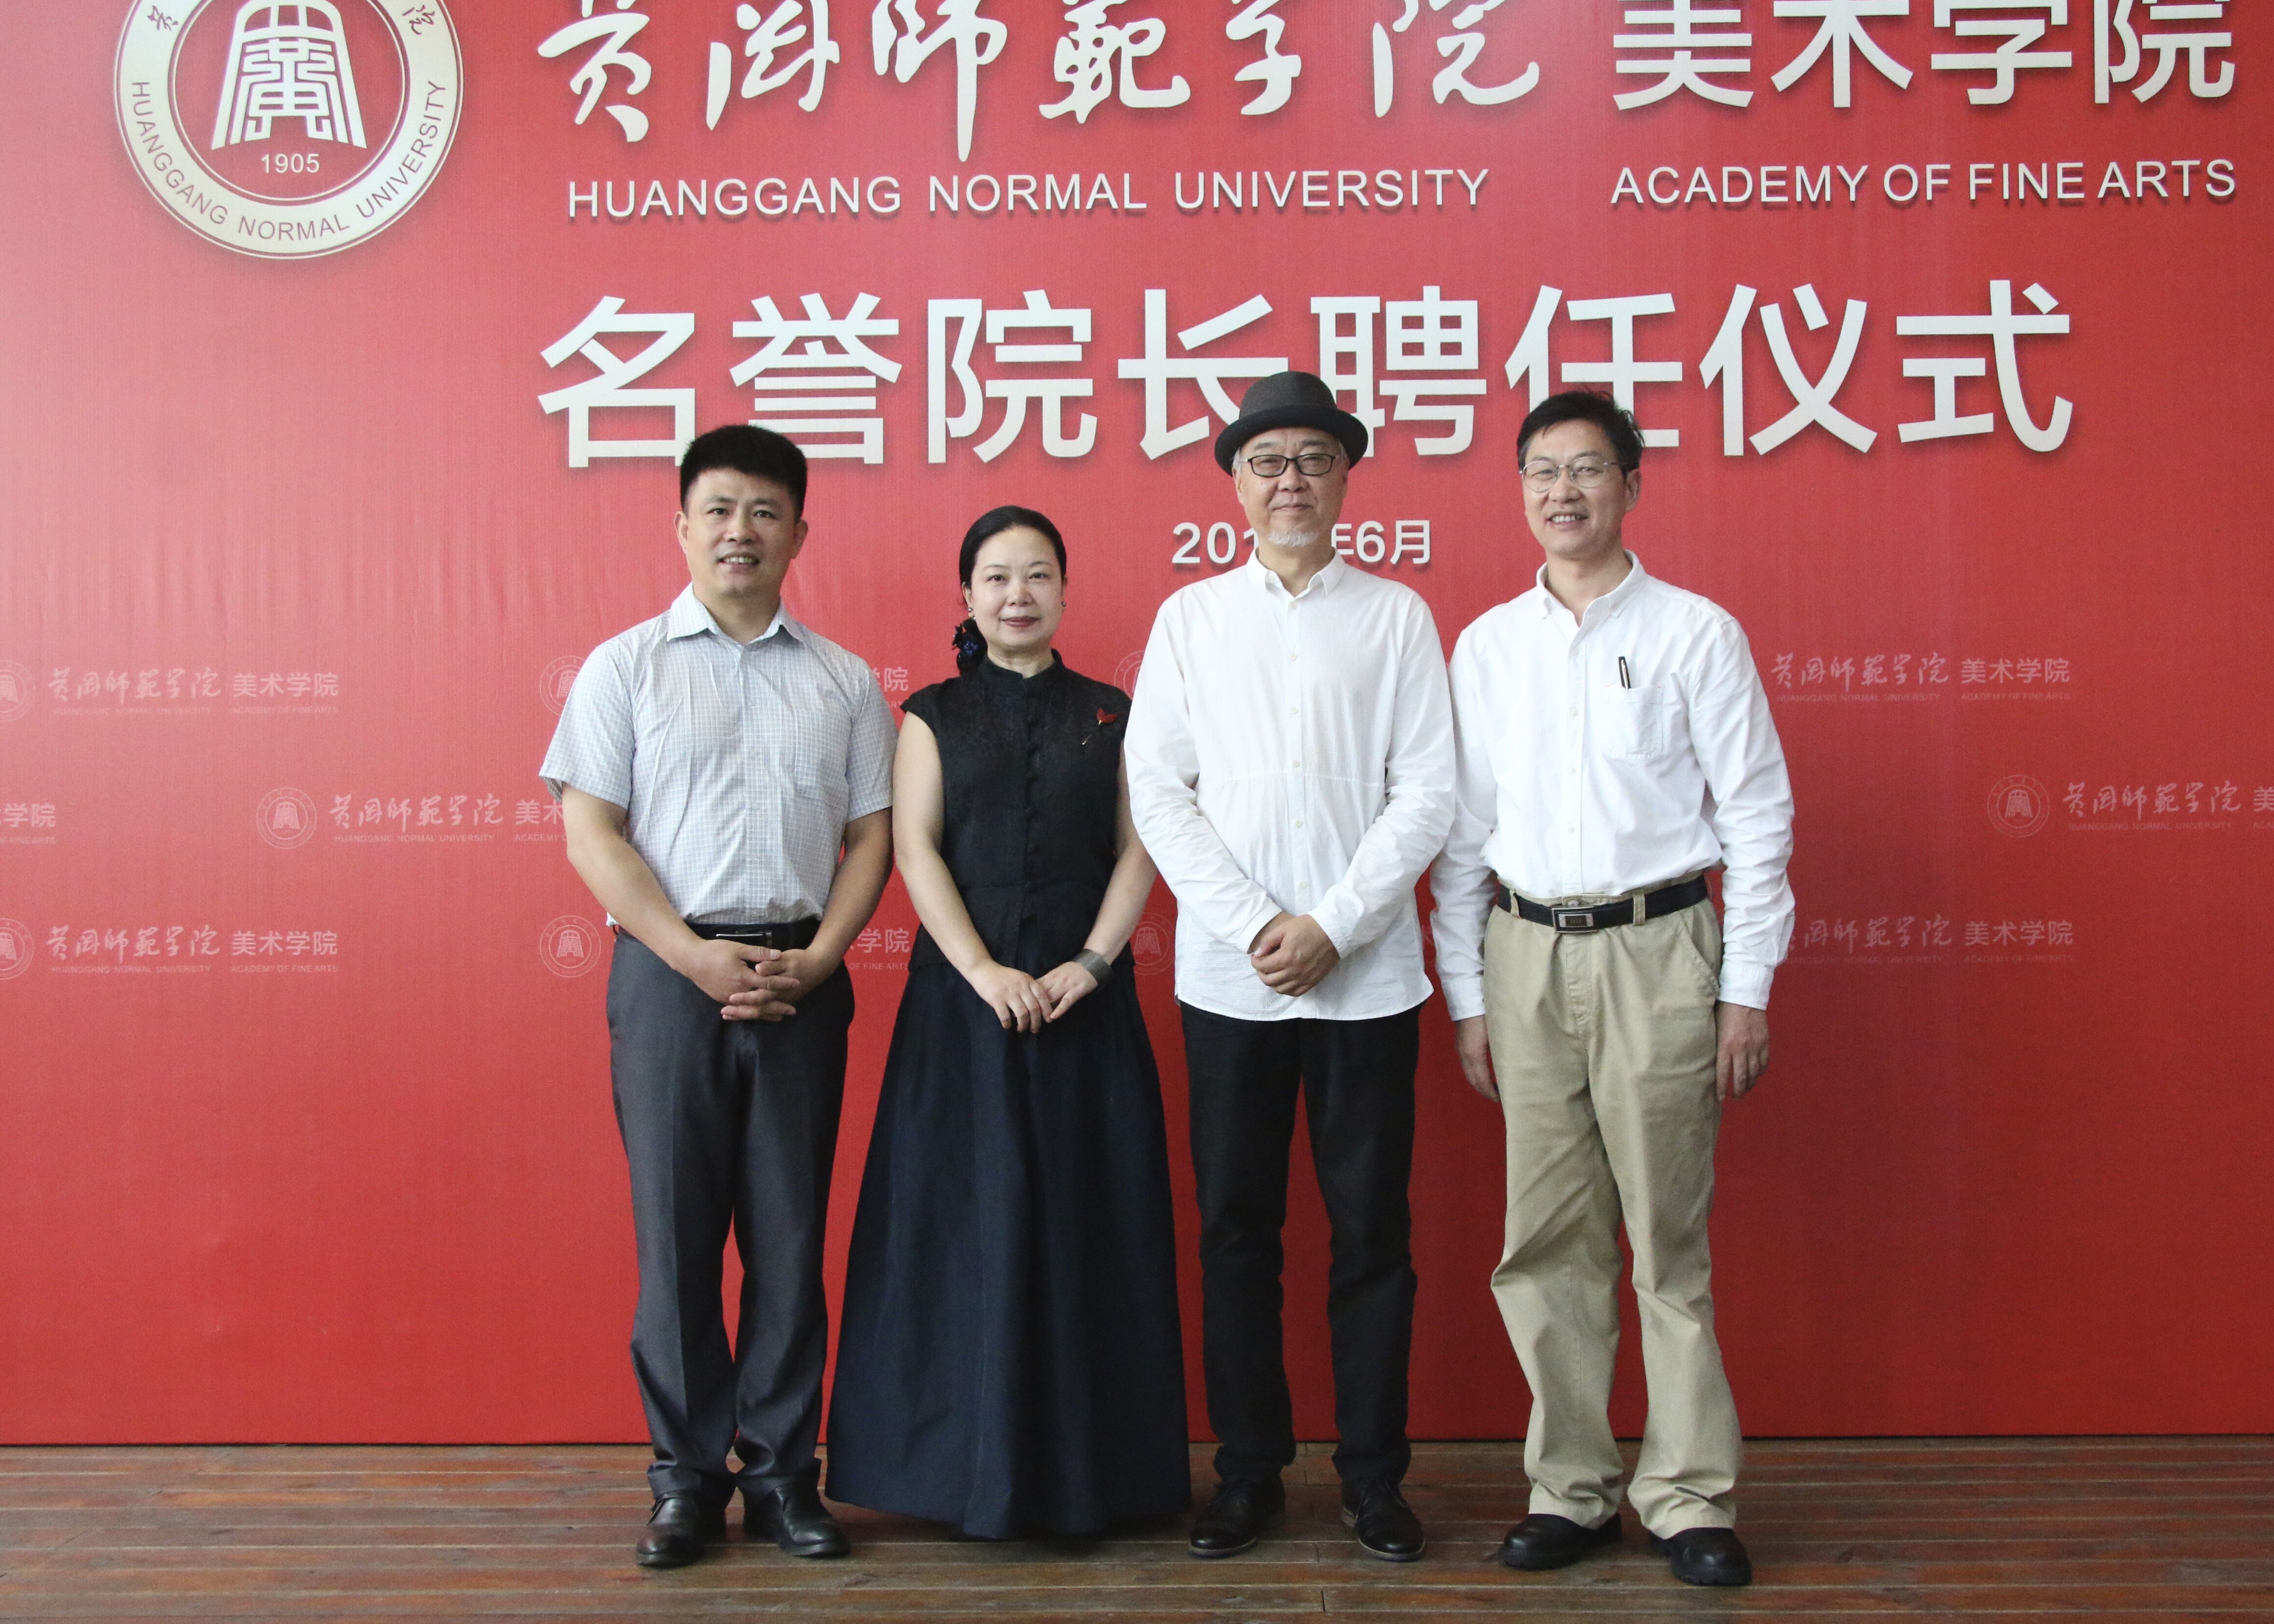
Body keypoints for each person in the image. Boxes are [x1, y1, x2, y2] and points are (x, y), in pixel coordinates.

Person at [1430, 391, 1794, 1589]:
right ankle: (1571, 1488)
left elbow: (1757, 817)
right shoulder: (1488, 646)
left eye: (1588, 469)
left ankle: (1688, 1494)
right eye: (1542, 471)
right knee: (1544, 1242)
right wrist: (1467, 992)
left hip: (1659, 947)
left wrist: (1746, 988)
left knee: (1665, 1240)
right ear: (1521, 491)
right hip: (1525, 952)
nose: (1564, 492)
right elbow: (1464, 835)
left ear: (1631, 485)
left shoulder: (1696, 633)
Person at [540, 425, 895, 1569]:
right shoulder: (625, 667)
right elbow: (591, 831)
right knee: (678, 1240)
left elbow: (873, 837)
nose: (741, 531)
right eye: (720, 510)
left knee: (790, 1242)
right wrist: (690, 955)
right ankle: (685, 1482)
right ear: (684, 527)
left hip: (801, 977)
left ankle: (785, 1478)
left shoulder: (845, 681)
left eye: (764, 511)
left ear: (799, 531)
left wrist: (824, 956)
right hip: (667, 979)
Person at [1125, 372, 1454, 1564]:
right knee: (1236, 1233)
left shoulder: (1398, 616)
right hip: (1232, 983)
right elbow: (1159, 792)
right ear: (1236, 484)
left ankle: (1373, 1478)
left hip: (1368, 983)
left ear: (1346, 477)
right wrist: (1261, 923)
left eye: (1314, 459)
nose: (1291, 481)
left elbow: (1429, 791)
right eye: (1268, 462)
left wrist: (1336, 925)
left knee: (1373, 1236)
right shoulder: (1191, 619)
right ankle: (1249, 1474)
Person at [825, 507, 1188, 1539]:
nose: (1017, 594)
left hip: (1084, 1006)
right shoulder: (930, 714)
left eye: (1036, 574)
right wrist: (983, 970)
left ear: (1065, 591)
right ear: (968, 595)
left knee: (1087, 1227)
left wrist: (1092, 963)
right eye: (996, 576)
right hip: (961, 1009)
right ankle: (951, 1476)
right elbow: (914, 847)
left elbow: (1139, 847)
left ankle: (1091, 1477)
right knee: (959, 1229)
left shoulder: (1113, 712)